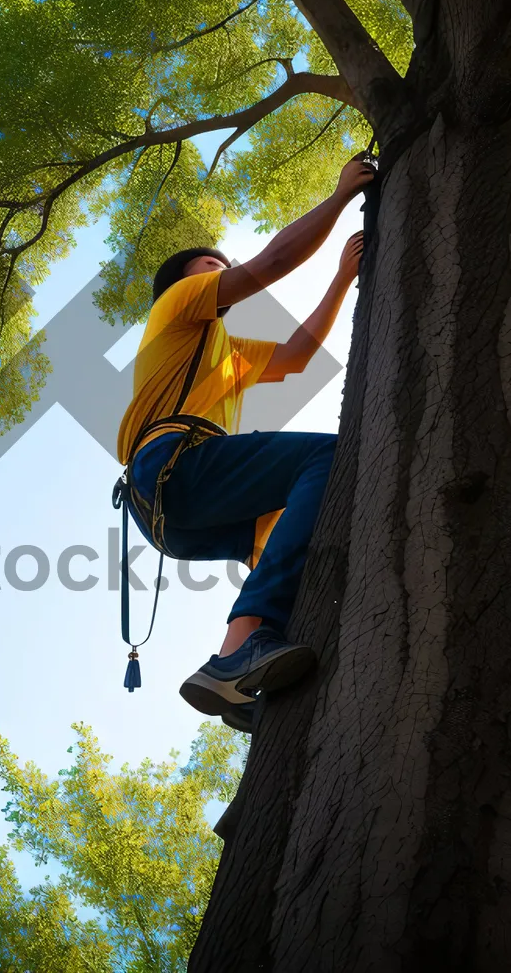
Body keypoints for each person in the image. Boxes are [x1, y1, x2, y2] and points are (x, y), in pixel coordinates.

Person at [115, 156, 375, 731]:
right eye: (212, 263)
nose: (222, 268)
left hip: (173, 520)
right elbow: (273, 262)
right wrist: (337, 199)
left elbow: (295, 357)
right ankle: (247, 638)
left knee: (287, 533)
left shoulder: (228, 354)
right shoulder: (177, 307)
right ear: (188, 279)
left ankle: (237, 658)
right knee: (324, 455)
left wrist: (340, 278)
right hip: (173, 467)